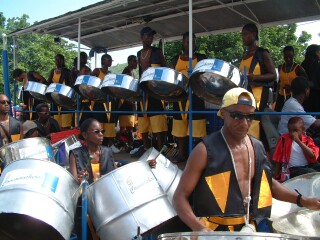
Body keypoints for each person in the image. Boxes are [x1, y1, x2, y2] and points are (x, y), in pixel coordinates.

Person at [172, 87, 320, 232]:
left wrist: (303, 200)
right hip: (214, 230)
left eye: (250, 116)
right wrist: (199, 229)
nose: (244, 123)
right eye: (237, 115)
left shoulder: (257, 147)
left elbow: (269, 185)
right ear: (223, 113)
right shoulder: (204, 150)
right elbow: (179, 197)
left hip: (247, 228)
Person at [170, 32, 207, 162]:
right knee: (180, 127)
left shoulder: (201, 58)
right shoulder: (176, 59)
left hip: (196, 95)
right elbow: (171, 76)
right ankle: (182, 154)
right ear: (183, 42)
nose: (191, 44)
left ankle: (197, 157)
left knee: (196, 127)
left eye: (193, 41)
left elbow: (206, 76)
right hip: (180, 96)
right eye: (188, 41)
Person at [239, 23, 276, 139]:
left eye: (245, 34)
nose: (243, 38)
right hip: (245, 95)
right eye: (242, 35)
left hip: (258, 95)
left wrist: (254, 77)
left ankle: (255, 151)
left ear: (254, 34)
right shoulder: (245, 55)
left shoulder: (262, 53)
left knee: (253, 123)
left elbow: (273, 75)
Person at [135, 26, 168, 157]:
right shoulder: (139, 54)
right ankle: (147, 150)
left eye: (151, 36)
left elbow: (165, 68)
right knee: (143, 123)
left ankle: (160, 153)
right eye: (147, 35)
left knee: (158, 122)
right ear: (142, 37)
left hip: (155, 90)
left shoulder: (157, 51)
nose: (150, 38)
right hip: (144, 90)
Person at [273, 117, 320, 181]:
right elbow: (278, 159)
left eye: (295, 130)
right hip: (292, 169)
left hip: (308, 165)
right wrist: (276, 176)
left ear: (303, 129)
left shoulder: (307, 140)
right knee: (311, 173)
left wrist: (298, 141)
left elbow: (312, 155)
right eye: (290, 131)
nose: (292, 133)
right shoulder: (283, 139)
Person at [90, 54, 119, 153]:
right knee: (99, 123)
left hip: (109, 100)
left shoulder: (110, 73)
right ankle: (99, 145)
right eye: (109, 60)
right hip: (98, 101)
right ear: (103, 61)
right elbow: (90, 82)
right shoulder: (97, 71)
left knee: (110, 123)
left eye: (111, 60)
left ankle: (110, 145)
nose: (110, 61)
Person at [274, 46, 308, 112]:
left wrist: (291, 88)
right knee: (278, 113)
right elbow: (279, 82)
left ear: (293, 56)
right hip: (281, 95)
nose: (288, 59)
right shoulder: (280, 67)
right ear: (283, 55)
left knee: (291, 114)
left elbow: (305, 83)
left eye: (290, 57)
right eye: (286, 57)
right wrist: (276, 95)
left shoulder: (298, 68)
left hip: (294, 96)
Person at [47, 53, 73, 129]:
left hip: (64, 99)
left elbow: (71, 84)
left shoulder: (67, 71)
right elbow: (49, 83)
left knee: (65, 123)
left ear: (62, 61)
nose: (58, 61)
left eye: (59, 59)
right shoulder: (53, 71)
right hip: (55, 99)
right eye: (56, 59)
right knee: (56, 123)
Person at [301, 44, 320, 113]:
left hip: (305, 94)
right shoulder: (316, 64)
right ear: (315, 52)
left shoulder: (303, 64)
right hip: (316, 94)